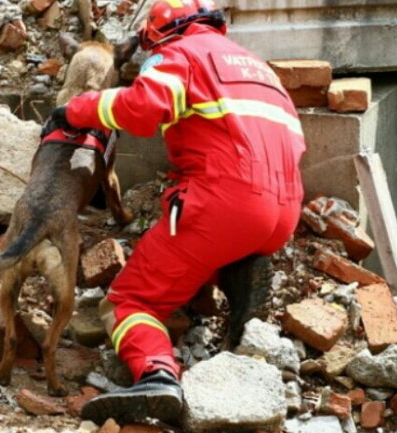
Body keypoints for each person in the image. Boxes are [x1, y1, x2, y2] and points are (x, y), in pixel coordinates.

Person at [42, 0, 306, 424]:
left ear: (161, 32)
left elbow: (143, 110)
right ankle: (236, 279)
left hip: (222, 202)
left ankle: (157, 374)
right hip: (284, 209)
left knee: (129, 302)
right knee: (224, 244)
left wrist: (79, 108)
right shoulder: (260, 69)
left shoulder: (177, 53)